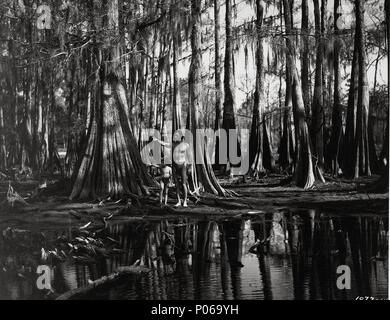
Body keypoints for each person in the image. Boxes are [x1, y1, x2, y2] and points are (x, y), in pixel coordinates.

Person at [173, 135, 191, 207]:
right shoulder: (175, 145)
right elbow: (165, 144)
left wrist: (189, 166)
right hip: (175, 166)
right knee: (177, 184)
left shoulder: (186, 145)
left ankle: (185, 201)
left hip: (183, 166)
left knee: (183, 184)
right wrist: (157, 141)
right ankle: (179, 201)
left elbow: (189, 155)